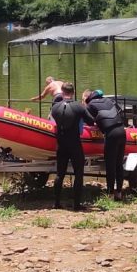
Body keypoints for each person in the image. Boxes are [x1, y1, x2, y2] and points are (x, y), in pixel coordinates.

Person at [50, 82, 93, 210]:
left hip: (61, 144)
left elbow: (53, 120)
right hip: (74, 144)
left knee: (60, 174)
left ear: (62, 92)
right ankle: (76, 205)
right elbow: (91, 121)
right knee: (78, 173)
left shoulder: (55, 107)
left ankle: (56, 203)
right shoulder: (78, 106)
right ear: (73, 92)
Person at [85, 89, 127, 200]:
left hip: (111, 134)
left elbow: (88, 121)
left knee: (110, 165)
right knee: (119, 164)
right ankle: (119, 192)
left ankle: (110, 193)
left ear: (88, 98)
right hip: (122, 131)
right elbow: (120, 113)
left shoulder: (90, 105)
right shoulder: (109, 101)